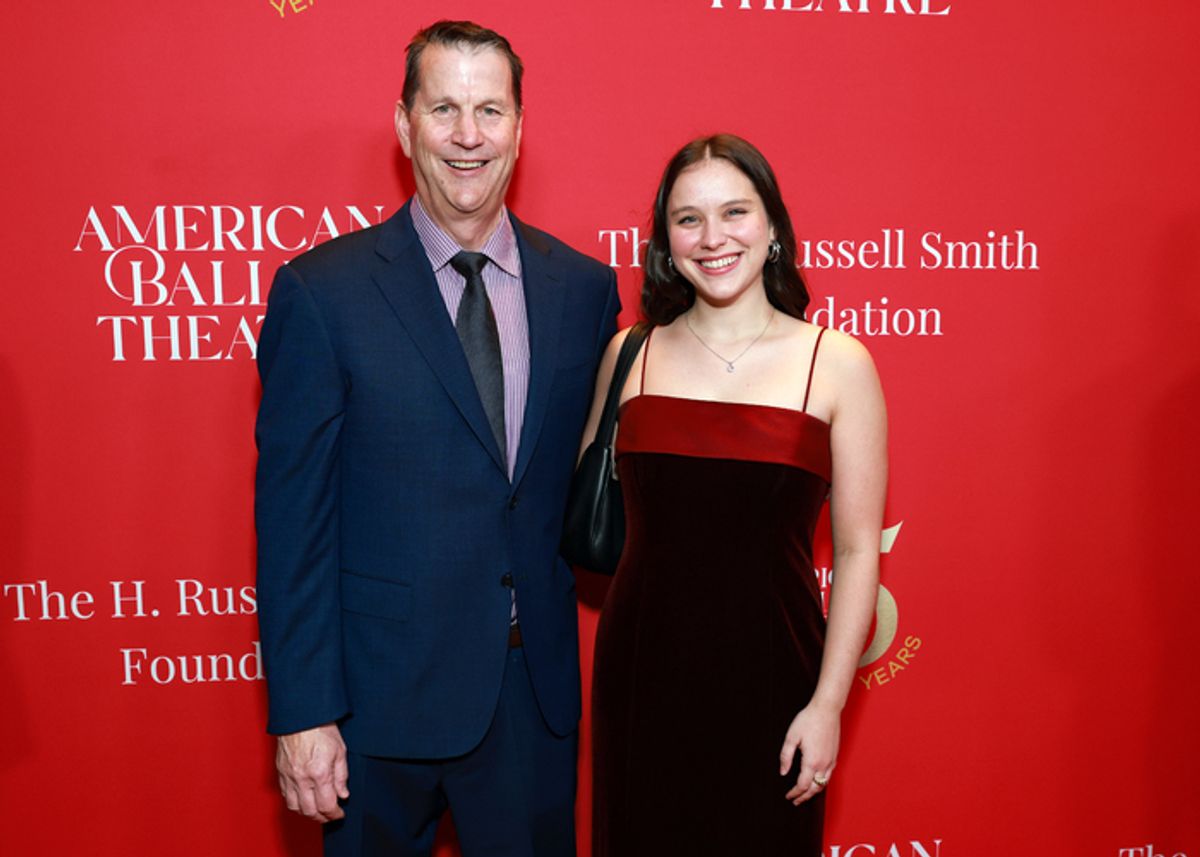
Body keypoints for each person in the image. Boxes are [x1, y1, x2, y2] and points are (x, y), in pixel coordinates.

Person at [254, 20, 619, 857]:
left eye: (490, 110)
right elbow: (292, 522)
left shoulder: (585, 291)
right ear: (403, 123)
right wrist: (306, 709)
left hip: (532, 700)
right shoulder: (322, 294)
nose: (467, 135)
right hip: (372, 709)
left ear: (520, 130)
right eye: (444, 107)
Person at [586, 134, 886, 856]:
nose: (712, 237)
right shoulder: (632, 352)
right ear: (665, 241)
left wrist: (828, 704)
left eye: (735, 212)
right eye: (688, 219)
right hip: (641, 675)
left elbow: (855, 551)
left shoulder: (838, 362)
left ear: (773, 226)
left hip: (777, 680)